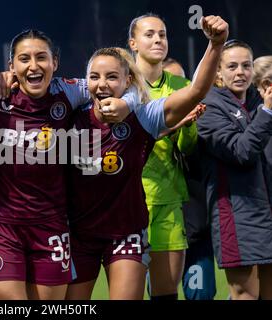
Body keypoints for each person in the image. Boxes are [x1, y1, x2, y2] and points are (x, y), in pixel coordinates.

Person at [0, 29, 134, 300]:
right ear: (11, 66)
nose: (33, 66)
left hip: (51, 224)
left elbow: (126, 84)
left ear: (54, 63)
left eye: (41, 57)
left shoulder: (70, 90)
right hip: (0, 224)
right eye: (24, 59)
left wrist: (127, 103)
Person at [65, 15, 228, 300]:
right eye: (94, 77)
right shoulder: (70, 112)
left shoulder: (145, 113)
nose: (102, 84)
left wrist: (216, 44)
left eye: (112, 77)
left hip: (134, 221)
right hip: (82, 229)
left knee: (161, 292)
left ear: (126, 80)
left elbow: (197, 91)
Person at [128, 13, 198, 300]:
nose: (158, 39)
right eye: (150, 34)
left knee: (166, 291)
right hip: (128, 201)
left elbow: (187, 148)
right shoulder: (122, 84)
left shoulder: (183, 87)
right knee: (128, 292)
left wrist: (189, 124)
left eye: (163, 34)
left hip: (168, 198)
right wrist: (173, 124)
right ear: (133, 42)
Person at [197, 40, 272, 300]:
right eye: (232, 66)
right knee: (244, 295)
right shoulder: (208, 108)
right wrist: (267, 113)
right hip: (236, 213)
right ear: (218, 72)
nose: (240, 72)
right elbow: (241, 152)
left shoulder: (257, 100)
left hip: (267, 211)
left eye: (246, 65)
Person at [163, 58, 217, 300]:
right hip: (161, 235)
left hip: (197, 234)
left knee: (201, 296)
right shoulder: (148, 137)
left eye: (182, 86)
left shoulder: (203, 128)